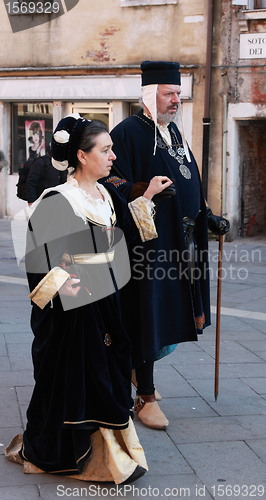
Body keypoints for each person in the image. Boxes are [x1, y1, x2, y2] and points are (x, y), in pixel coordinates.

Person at [6, 114, 173, 484]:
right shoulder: (57, 201)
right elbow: (42, 267)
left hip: (107, 304)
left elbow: (127, 237)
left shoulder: (106, 194)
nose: (113, 156)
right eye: (106, 149)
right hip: (75, 315)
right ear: (82, 156)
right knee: (84, 379)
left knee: (108, 376)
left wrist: (146, 197)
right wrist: (86, 283)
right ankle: (77, 454)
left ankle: (110, 454)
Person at [109, 60, 230, 430]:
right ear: (150, 94)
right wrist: (142, 192)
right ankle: (144, 397)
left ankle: (137, 371)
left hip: (183, 241)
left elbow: (187, 178)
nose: (176, 100)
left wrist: (206, 215)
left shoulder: (174, 133)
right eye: (169, 93)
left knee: (170, 312)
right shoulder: (128, 132)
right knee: (151, 313)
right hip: (149, 243)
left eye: (178, 94)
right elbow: (110, 180)